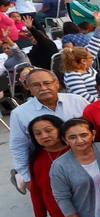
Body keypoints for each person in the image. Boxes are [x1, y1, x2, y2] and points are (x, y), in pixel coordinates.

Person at [9, 68, 90, 201]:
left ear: (56, 83)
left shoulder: (77, 101)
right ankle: (18, 175)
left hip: (83, 156)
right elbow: (19, 147)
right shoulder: (20, 114)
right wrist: (27, 177)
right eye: (36, 85)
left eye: (47, 83)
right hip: (48, 162)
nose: (43, 88)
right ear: (28, 88)